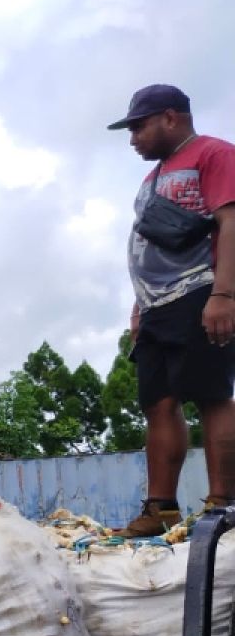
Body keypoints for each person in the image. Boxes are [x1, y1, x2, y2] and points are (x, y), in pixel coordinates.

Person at [107, 84, 235, 537]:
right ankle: (160, 509)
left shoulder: (214, 154)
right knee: (157, 403)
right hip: (156, 305)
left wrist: (224, 295)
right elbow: (146, 245)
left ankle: (224, 504)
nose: (133, 138)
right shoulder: (152, 177)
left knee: (211, 394)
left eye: (138, 127)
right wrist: (140, 306)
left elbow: (230, 221)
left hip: (201, 291)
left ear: (170, 117)